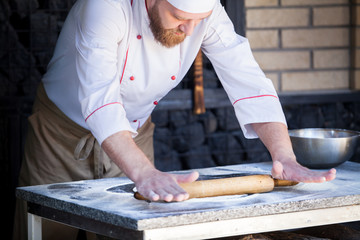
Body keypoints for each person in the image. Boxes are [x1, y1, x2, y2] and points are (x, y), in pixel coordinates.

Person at [14, 0, 337, 239]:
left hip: (134, 134)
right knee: (49, 230)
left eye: (199, 20)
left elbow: (247, 78)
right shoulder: (105, 6)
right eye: (180, 18)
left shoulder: (204, 13)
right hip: (59, 134)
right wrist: (143, 172)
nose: (189, 30)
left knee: (129, 232)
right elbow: (100, 99)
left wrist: (284, 155)